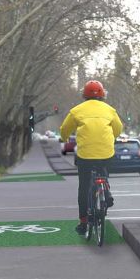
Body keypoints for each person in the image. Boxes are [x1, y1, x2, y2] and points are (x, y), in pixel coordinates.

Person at [59, 80, 123, 235]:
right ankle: (106, 192)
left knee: (84, 186)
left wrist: (65, 138)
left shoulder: (76, 111)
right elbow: (118, 129)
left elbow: (64, 130)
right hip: (106, 153)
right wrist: (111, 137)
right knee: (104, 170)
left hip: (85, 155)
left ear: (84, 95)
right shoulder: (110, 110)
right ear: (103, 95)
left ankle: (83, 222)